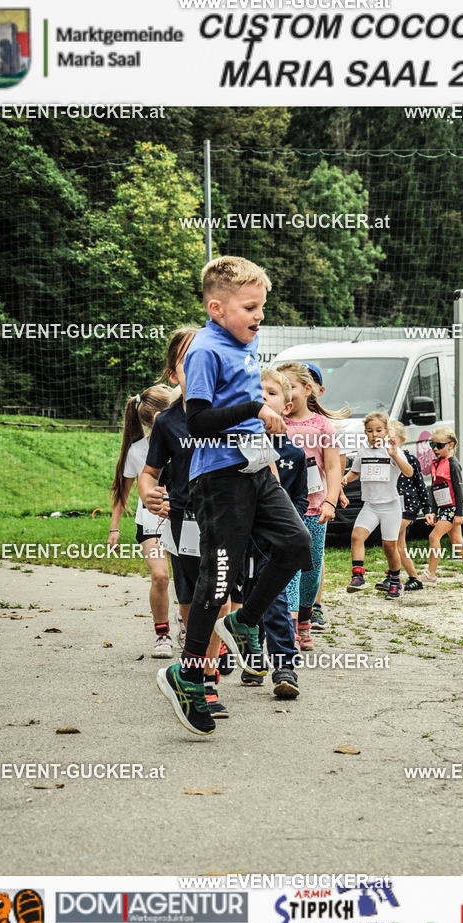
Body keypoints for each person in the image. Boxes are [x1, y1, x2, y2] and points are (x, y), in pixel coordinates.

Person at [155, 256, 312, 736]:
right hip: (219, 477)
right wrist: (254, 407)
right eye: (250, 307)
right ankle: (186, 673)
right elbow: (197, 420)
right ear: (217, 307)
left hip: (257, 468)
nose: (259, 316)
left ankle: (245, 622)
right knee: (215, 579)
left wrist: (258, 417)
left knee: (296, 545)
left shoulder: (247, 339)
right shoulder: (205, 350)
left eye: (262, 306)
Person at [138, 327, 232, 720]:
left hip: (227, 523)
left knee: (222, 602)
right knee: (194, 607)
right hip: (184, 525)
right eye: (187, 362)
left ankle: (207, 680)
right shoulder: (167, 422)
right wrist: (148, 492)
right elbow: (149, 473)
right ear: (174, 375)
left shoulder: (235, 412)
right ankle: (193, 673)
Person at [238, 368, 309, 697]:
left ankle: (285, 666)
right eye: (257, 392)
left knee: (276, 600)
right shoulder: (234, 446)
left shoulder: (294, 455)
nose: (263, 396)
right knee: (248, 599)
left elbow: (301, 499)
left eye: (271, 392)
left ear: (286, 406)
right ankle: (253, 659)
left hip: (275, 543)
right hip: (240, 539)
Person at [277, 361, 346, 650]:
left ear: (307, 390)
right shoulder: (273, 422)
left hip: (316, 509)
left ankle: (304, 620)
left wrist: (331, 500)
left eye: (290, 387)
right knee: (289, 566)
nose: (285, 394)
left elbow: (332, 466)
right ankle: (289, 625)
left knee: (311, 568)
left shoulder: (321, 425)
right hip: (283, 507)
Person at [109, 384, 174, 657]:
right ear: (159, 418)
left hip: (187, 520)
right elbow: (122, 495)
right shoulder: (136, 452)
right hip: (150, 523)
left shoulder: (191, 441)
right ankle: (163, 635)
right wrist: (114, 528)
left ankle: (186, 620)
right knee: (160, 576)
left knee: (189, 581)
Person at [340, 412, 413, 598]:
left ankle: (396, 581)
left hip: (390, 506)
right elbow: (355, 471)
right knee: (357, 536)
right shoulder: (363, 451)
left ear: (386, 431)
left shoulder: (392, 450)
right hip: (370, 505)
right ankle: (358, 576)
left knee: (389, 546)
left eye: (378, 430)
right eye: (370, 431)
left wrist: (395, 456)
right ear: (365, 432)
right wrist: (345, 479)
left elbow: (409, 472)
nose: (374, 434)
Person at [419, 427, 463, 588]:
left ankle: (431, 575)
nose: (435, 448)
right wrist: (434, 511)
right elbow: (435, 489)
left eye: (439, 445)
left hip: (451, 508)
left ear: (450, 445)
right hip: (443, 508)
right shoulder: (436, 464)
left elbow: (458, 489)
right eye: (432, 444)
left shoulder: (453, 464)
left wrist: (459, 513)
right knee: (457, 541)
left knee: (433, 537)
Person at [379, 420, 431, 593]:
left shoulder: (410, 460)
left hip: (408, 505)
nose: (390, 444)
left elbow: (420, 485)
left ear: (402, 439)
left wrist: (427, 509)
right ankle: (414, 579)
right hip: (392, 504)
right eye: (387, 440)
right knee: (399, 545)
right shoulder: (383, 458)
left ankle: (392, 577)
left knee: (390, 540)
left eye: (393, 440)